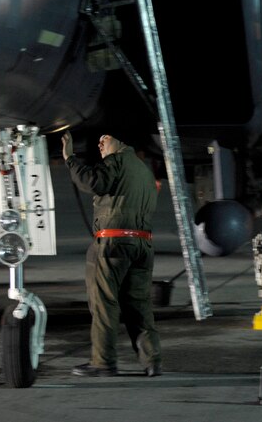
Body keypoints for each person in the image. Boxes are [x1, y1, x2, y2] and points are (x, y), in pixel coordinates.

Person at [62, 131, 162, 377]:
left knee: (104, 303)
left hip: (113, 243)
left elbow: (94, 182)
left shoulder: (117, 161)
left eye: (105, 139)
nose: (100, 144)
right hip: (142, 245)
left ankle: (103, 362)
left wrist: (70, 159)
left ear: (120, 141)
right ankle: (152, 360)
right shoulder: (144, 172)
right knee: (138, 305)